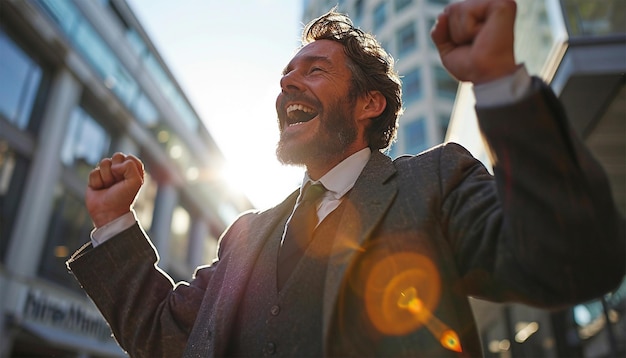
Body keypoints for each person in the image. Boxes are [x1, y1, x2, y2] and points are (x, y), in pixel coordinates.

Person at [68, 1, 625, 357]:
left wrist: (501, 83)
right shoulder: (243, 236)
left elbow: (570, 258)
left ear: (369, 103)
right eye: (286, 76)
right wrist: (115, 223)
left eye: (315, 70)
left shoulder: (435, 181)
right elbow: (165, 338)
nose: (289, 85)